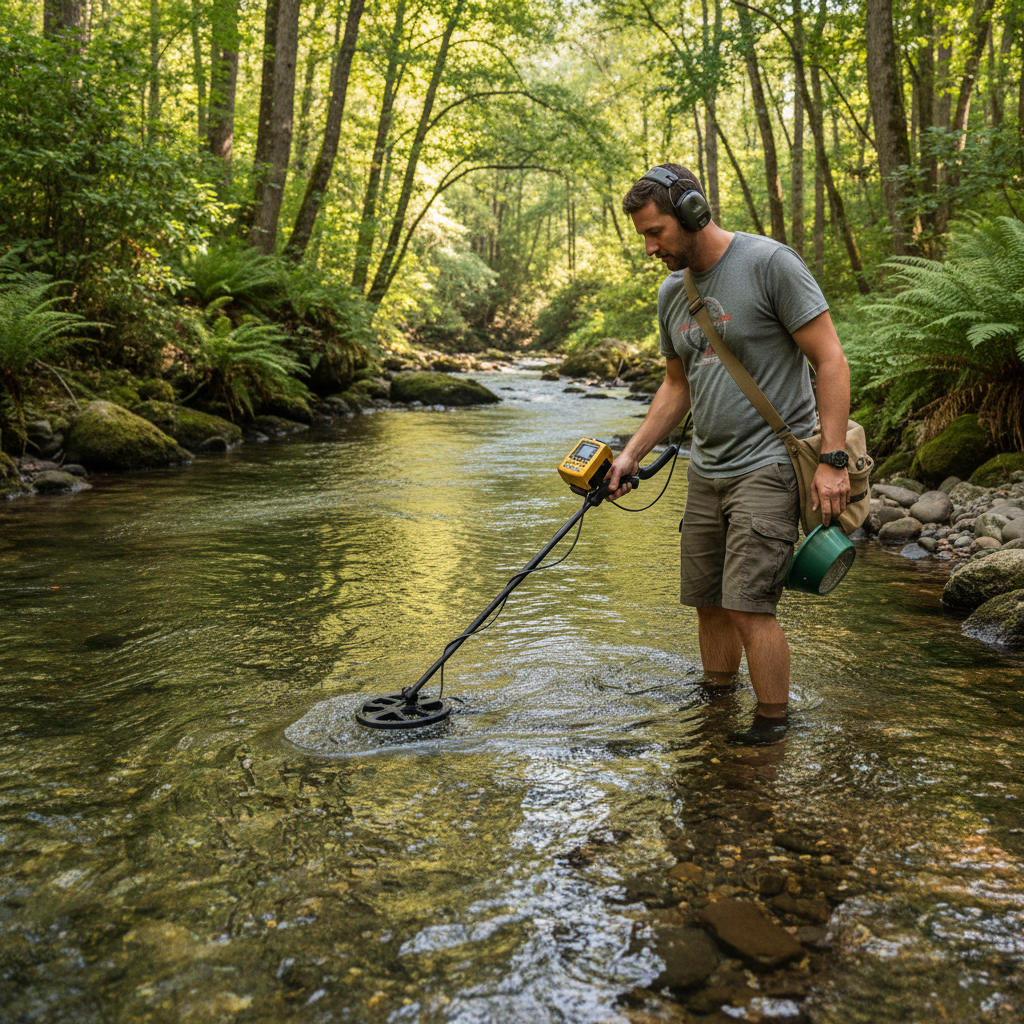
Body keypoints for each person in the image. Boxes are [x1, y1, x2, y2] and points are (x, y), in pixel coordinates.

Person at [605, 163, 852, 745]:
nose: (648, 247)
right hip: (706, 469)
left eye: (655, 231)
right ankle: (716, 707)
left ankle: (772, 730)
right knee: (709, 603)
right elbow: (676, 387)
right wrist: (631, 454)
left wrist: (832, 460)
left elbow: (831, 360)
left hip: (767, 465)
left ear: (693, 212)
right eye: (642, 235)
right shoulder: (673, 292)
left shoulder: (770, 264)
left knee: (748, 607)